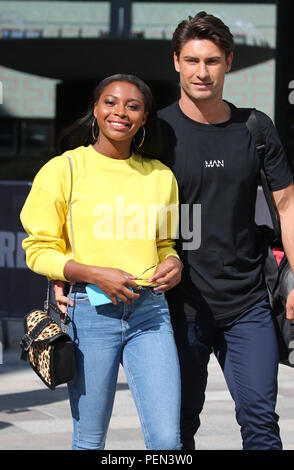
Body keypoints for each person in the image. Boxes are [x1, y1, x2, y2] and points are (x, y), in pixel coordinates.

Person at [20, 74, 183, 451]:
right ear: (95, 109)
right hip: (90, 313)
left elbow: (166, 243)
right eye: (110, 102)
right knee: (90, 440)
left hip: (151, 314)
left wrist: (173, 262)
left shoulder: (161, 176)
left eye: (132, 106)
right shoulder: (64, 170)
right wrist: (93, 273)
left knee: (166, 441)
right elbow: (38, 249)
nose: (120, 112)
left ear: (144, 118)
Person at [156, 12, 294, 450]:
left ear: (229, 62)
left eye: (212, 61)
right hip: (178, 308)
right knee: (177, 429)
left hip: (247, 302)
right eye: (192, 60)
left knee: (261, 424)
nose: (202, 71)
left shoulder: (255, 127)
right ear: (176, 61)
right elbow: (114, 206)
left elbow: (287, 205)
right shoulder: (155, 132)